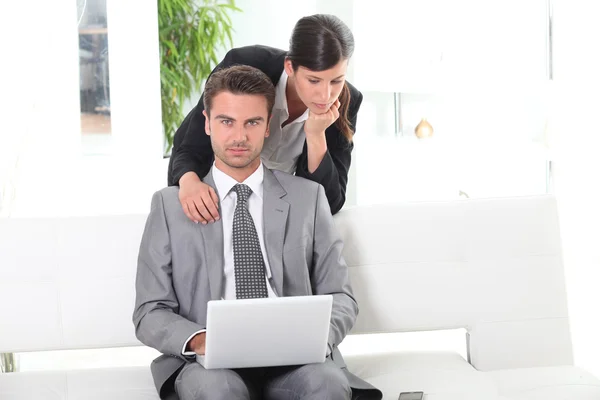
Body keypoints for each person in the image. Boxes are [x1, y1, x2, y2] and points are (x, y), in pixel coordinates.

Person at [133, 66, 381, 400]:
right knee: (217, 390)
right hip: (211, 365)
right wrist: (201, 340)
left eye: (252, 122)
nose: (239, 136)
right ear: (207, 123)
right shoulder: (168, 206)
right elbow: (150, 310)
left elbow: (341, 295)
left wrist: (313, 339)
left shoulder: (308, 198)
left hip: (296, 361)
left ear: (268, 127)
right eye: (226, 121)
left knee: (326, 385)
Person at [168, 14, 363, 223]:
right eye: (313, 80)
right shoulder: (243, 65)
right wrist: (189, 182)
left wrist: (316, 135)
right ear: (290, 67)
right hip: (215, 194)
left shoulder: (347, 102)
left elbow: (330, 203)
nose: (325, 95)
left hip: (277, 209)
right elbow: (192, 143)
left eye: (336, 81)